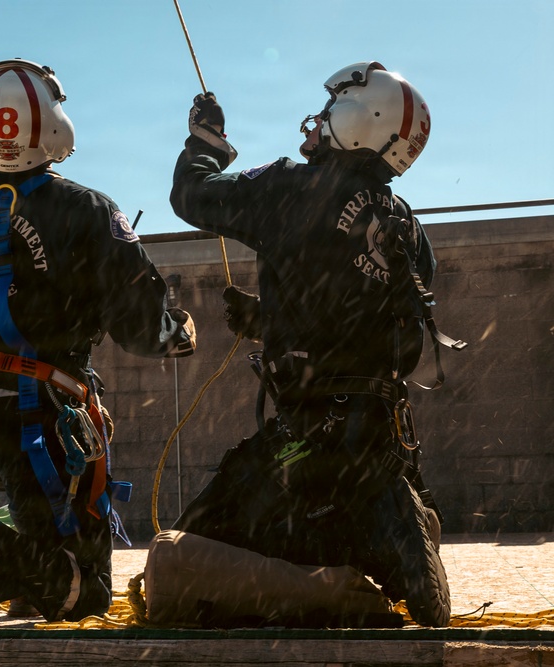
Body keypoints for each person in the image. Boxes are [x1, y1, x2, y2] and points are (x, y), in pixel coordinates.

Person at [0, 59, 197, 628]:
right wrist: (177, 332)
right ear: (53, 124)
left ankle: (3, 565)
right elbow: (142, 328)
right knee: (88, 595)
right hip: (45, 430)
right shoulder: (88, 213)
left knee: (41, 563)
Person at [168, 61, 463, 627]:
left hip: (305, 437)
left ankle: (349, 549)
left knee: (190, 552)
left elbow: (193, 194)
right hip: (382, 438)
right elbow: (364, 321)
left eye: (331, 110)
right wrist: (268, 319)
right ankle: (392, 516)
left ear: (358, 120)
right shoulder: (408, 226)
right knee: (329, 511)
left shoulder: (295, 187)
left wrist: (206, 141)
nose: (319, 121)